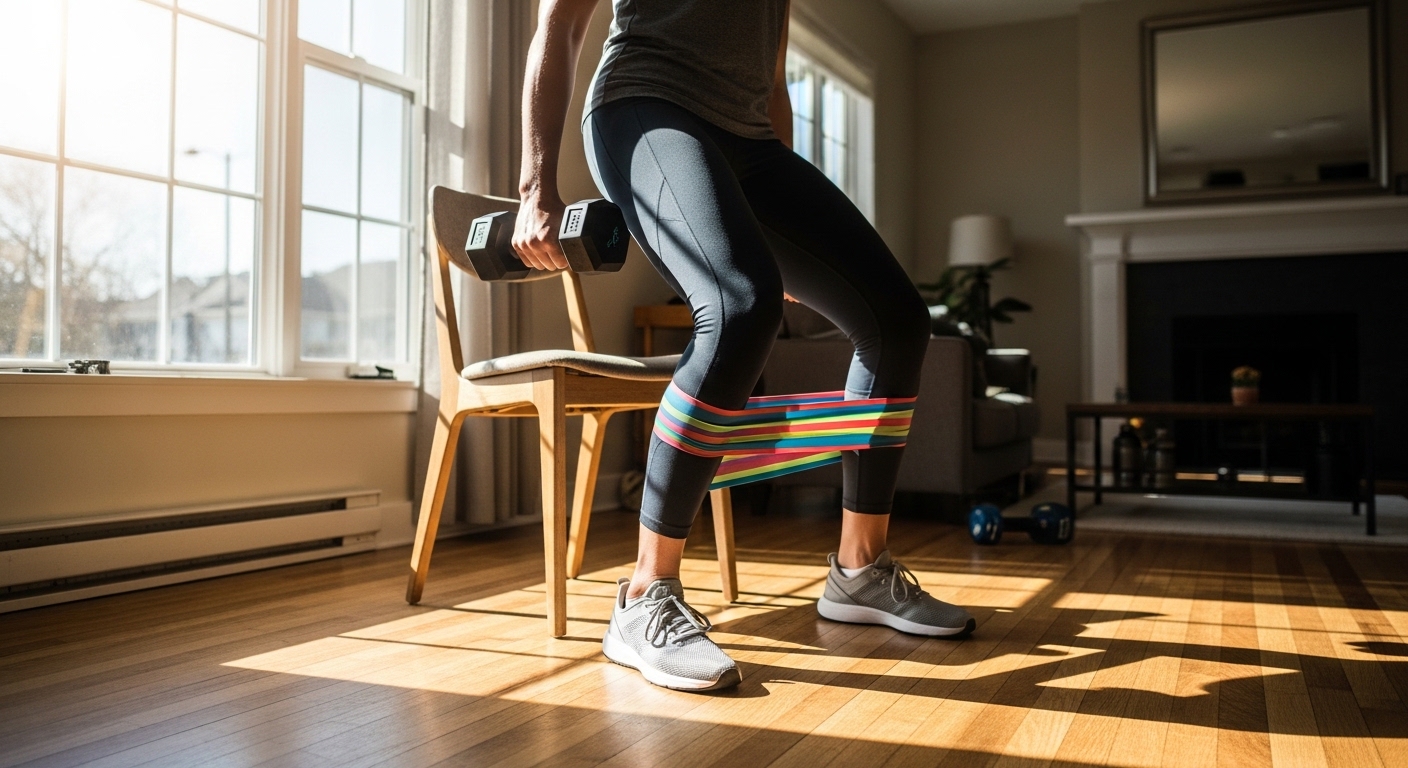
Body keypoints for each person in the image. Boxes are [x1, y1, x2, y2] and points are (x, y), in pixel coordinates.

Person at [511, 0, 975, 692]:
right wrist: (534, 185)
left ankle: (858, 570)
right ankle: (644, 595)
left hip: (751, 143)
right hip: (645, 106)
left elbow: (773, 75)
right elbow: (560, 23)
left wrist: (786, 228)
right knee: (738, 306)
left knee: (899, 320)